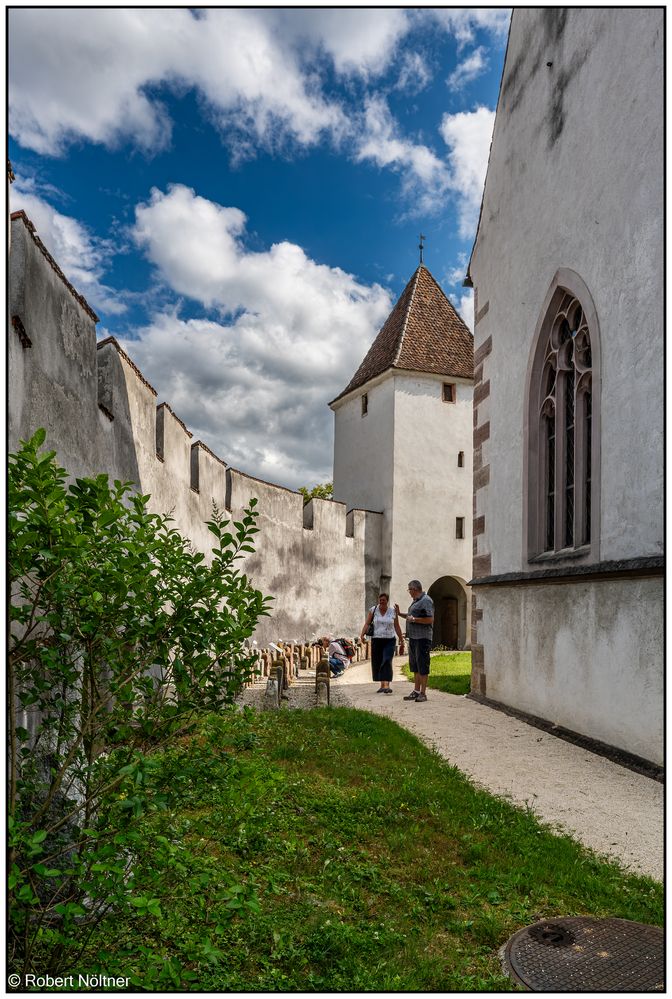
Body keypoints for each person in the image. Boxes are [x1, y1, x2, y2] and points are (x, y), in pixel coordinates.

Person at [395, 580, 434, 702]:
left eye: (409, 590)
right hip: (413, 637)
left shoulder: (426, 601)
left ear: (415, 589)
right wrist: (400, 613)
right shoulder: (416, 601)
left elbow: (429, 620)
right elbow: (411, 616)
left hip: (422, 638)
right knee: (415, 665)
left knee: (422, 665)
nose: (409, 593)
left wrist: (414, 620)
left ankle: (423, 693)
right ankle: (416, 691)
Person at [360, 593, 404, 694]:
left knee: (387, 660)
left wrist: (401, 640)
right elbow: (367, 623)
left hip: (389, 639)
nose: (381, 602)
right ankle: (382, 685)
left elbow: (397, 626)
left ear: (387, 601)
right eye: (380, 600)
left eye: (383, 600)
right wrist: (362, 635)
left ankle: (386, 685)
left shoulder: (393, 612)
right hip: (377, 639)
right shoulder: (373, 610)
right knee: (378, 662)